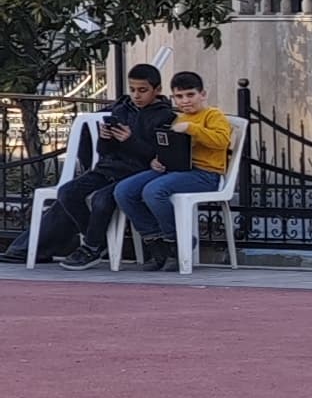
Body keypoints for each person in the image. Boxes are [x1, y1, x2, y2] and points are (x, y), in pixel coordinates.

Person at [113, 68, 234, 267]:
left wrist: (192, 129)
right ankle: (155, 241)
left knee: (154, 191)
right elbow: (170, 147)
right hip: (176, 170)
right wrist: (157, 160)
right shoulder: (179, 118)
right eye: (179, 96)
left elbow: (221, 141)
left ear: (202, 94)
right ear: (173, 98)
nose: (185, 101)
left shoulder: (213, 115)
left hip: (206, 174)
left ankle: (176, 240)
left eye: (190, 95)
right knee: (123, 190)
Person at [31, 102, 147, 266]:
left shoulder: (159, 116)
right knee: (67, 192)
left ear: (156, 90)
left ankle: (92, 246)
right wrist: (105, 138)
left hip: (134, 173)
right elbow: (103, 151)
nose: (137, 96)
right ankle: (96, 240)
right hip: (107, 168)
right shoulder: (120, 111)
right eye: (133, 90)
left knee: (101, 199)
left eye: (142, 90)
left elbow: (152, 155)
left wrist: (130, 141)